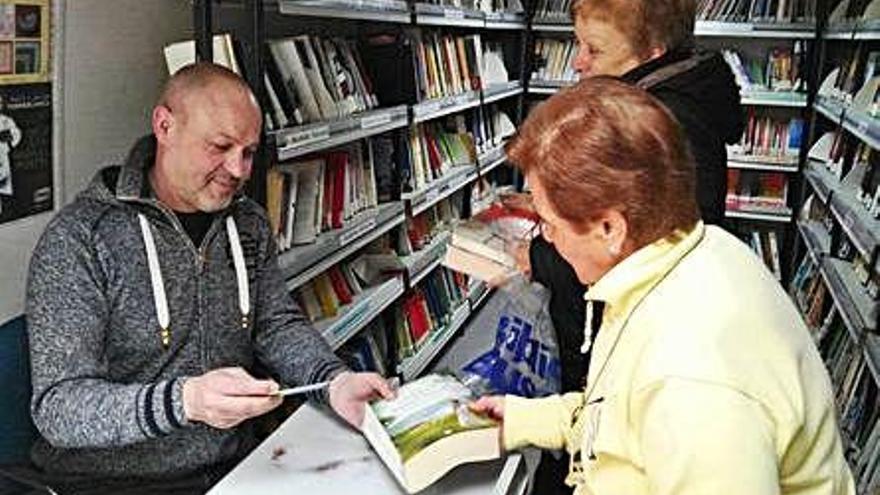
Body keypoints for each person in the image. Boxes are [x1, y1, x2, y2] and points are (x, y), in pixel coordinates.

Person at [20, 63, 393, 494]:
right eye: (220, 146)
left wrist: (334, 381)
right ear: (164, 126)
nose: (238, 170)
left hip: (232, 465)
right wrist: (185, 402)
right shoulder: (81, 239)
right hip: (111, 481)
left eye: (249, 152)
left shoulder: (249, 223)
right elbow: (58, 408)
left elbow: (276, 324)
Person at [473, 77, 855, 495]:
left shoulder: (693, 376)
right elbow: (620, 409)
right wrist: (527, 419)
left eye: (548, 222)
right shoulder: (685, 256)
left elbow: (669, 398)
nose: (545, 237)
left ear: (609, 228)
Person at [516, 2, 745, 490]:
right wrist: (519, 422)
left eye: (594, 49)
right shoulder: (654, 285)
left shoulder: (690, 374)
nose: (578, 62)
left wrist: (540, 260)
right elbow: (613, 405)